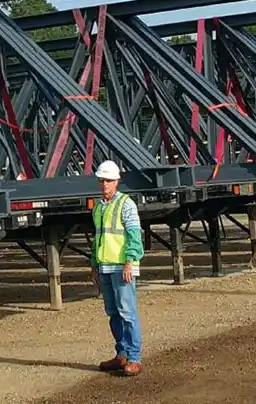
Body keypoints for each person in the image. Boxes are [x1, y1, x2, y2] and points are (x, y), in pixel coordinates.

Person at [90, 160, 144, 376]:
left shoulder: (126, 204)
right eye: (102, 180)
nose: (105, 184)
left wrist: (129, 262)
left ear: (117, 181)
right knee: (113, 313)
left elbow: (134, 235)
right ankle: (121, 353)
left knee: (127, 312)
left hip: (122, 267)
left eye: (108, 180)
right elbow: (97, 239)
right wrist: (94, 264)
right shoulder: (99, 207)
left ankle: (134, 357)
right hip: (105, 267)